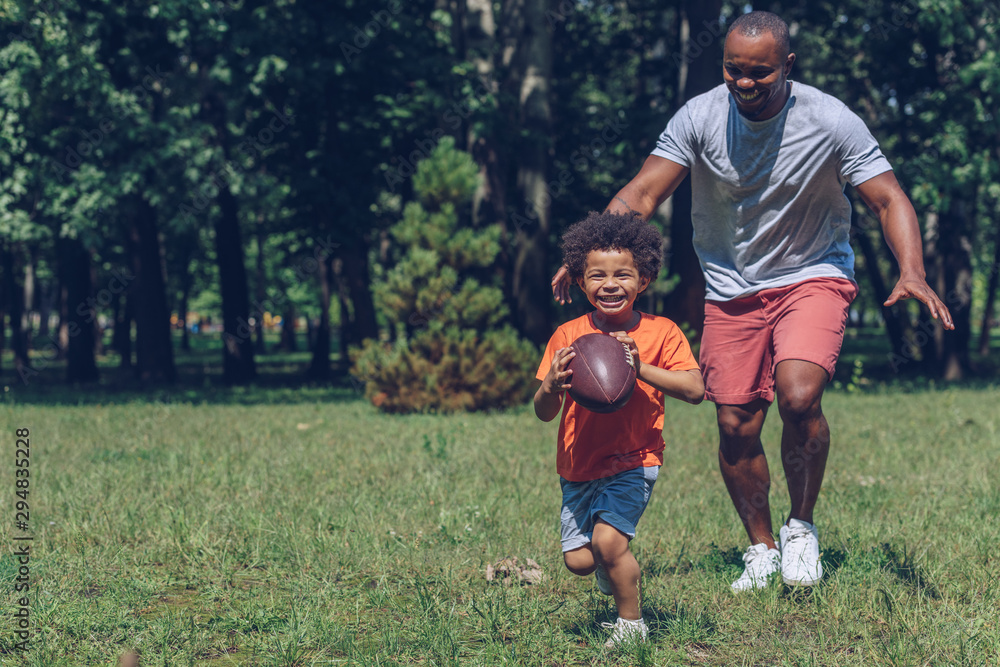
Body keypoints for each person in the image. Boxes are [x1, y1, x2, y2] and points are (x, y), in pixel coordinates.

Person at [551, 11, 954, 591]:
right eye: (733, 70)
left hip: (812, 275)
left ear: (787, 65)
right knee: (736, 421)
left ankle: (801, 528)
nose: (743, 83)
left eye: (759, 73)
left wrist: (911, 269)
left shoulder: (830, 120)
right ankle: (761, 548)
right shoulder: (700, 117)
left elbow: (888, 198)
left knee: (798, 394)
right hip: (732, 287)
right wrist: (587, 246)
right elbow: (642, 192)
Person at [535, 211, 705, 646]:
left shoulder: (661, 332)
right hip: (578, 465)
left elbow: (694, 389)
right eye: (597, 276)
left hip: (635, 458)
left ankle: (631, 626)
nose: (610, 284)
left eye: (623, 275)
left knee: (609, 543)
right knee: (579, 560)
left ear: (644, 279)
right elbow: (543, 411)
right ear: (579, 281)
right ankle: (611, 571)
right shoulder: (567, 336)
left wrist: (640, 366)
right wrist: (552, 384)